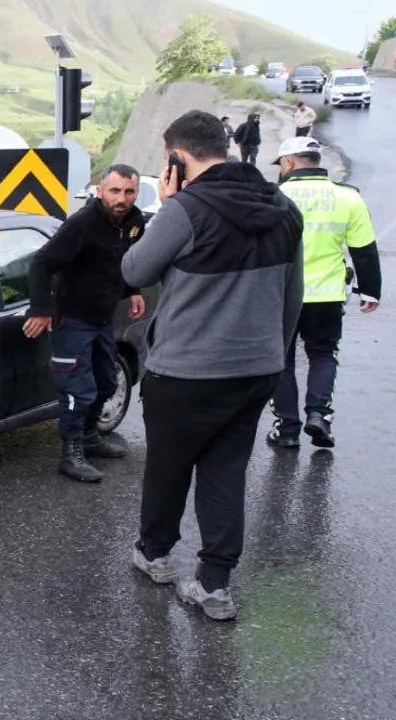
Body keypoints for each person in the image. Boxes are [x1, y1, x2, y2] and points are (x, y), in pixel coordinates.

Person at [121, 110, 303, 621]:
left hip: (185, 371)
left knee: (168, 466)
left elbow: (134, 269)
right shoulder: (284, 207)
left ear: (177, 158)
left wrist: (169, 204)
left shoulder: (186, 210)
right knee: (226, 473)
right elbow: (294, 295)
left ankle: (155, 555)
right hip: (255, 370)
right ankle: (214, 586)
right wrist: (273, 356)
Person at [22, 164, 147, 483]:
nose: (122, 198)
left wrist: (132, 291)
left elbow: (126, 258)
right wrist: (40, 308)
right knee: (79, 388)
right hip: (71, 319)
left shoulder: (134, 222)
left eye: (129, 192)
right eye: (115, 191)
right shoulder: (82, 224)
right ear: (100, 191)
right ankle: (71, 453)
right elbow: (42, 263)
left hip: (102, 318)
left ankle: (90, 437)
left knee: (108, 381)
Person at [268, 136, 381, 449]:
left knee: (281, 361)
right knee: (323, 355)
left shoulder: (275, 197)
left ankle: (286, 428)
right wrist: (370, 291)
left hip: (281, 296)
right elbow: (365, 250)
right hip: (327, 296)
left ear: (289, 163)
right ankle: (319, 415)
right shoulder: (348, 198)